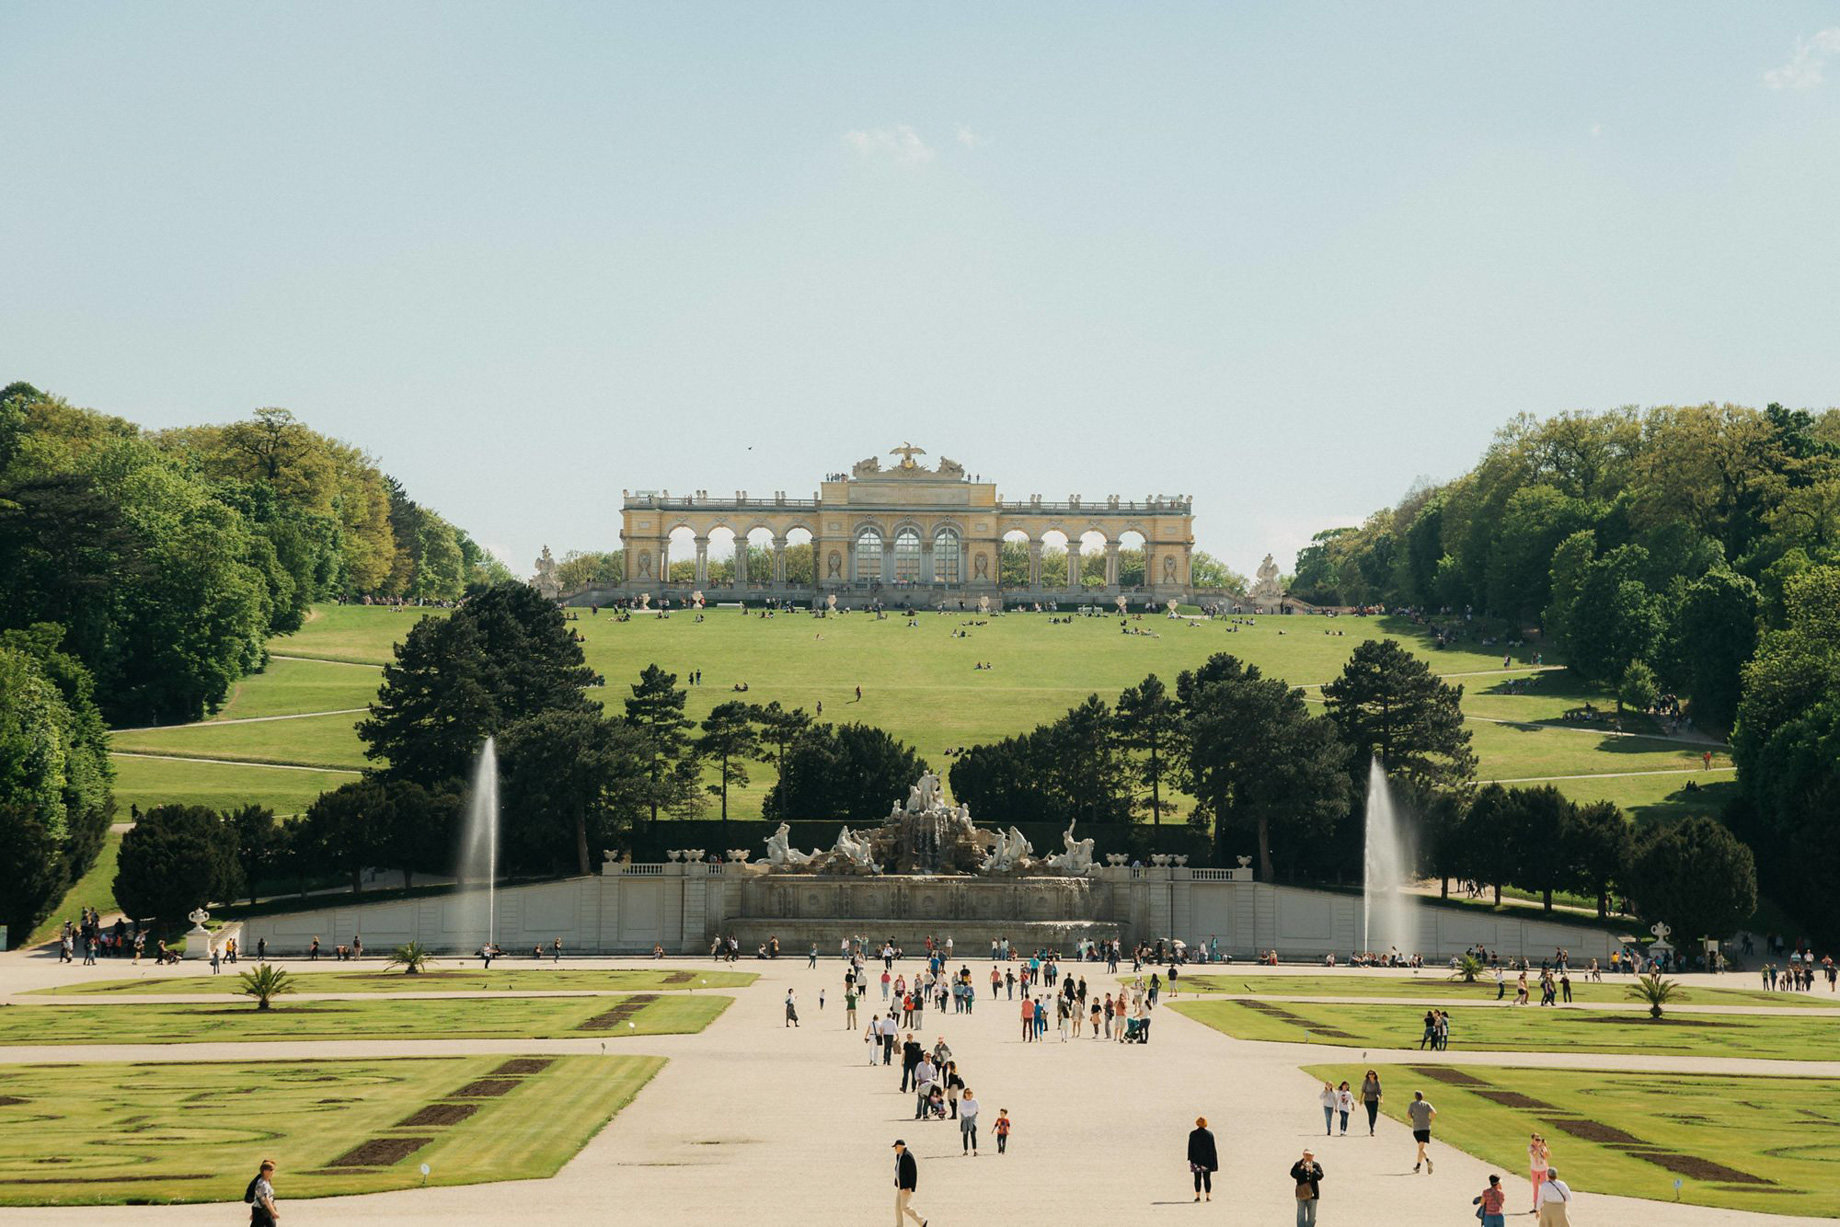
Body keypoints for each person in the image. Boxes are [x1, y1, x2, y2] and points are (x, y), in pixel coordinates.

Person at [892, 1139, 925, 1226]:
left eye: (896, 1147)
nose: (895, 1149)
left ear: (901, 1147)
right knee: (897, 1208)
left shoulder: (907, 1157)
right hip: (900, 1185)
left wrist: (910, 1188)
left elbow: (913, 1173)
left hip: (906, 1187)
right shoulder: (899, 1155)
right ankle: (899, 1225)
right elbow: (898, 1170)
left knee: (904, 1207)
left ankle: (922, 1221)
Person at [1188, 1116, 1219, 1202]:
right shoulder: (1209, 1134)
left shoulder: (1193, 1134)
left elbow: (1190, 1147)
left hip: (1196, 1160)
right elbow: (1212, 1149)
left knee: (1197, 1178)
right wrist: (1214, 1161)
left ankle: (1197, 1196)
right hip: (1207, 1161)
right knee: (1207, 1178)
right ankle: (1208, 1196)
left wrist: (1190, 1158)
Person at [1290, 1148, 1323, 1227]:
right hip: (1301, 1193)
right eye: (1306, 1155)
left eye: (1310, 1155)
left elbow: (1320, 1176)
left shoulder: (1316, 1165)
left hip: (1313, 1193)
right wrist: (1301, 1168)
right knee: (1301, 1214)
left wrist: (1313, 1170)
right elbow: (1293, 1174)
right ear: (1303, 1155)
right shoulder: (1298, 1164)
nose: (1308, 1157)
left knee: (1312, 1216)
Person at [1408, 1091, 1436, 1173]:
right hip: (1426, 1128)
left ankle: (1428, 1161)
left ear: (1415, 1097)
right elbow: (1434, 1113)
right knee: (1421, 1148)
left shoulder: (1413, 1104)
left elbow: (1408, 1115)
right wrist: (1430, 1120)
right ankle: (1418, 1166)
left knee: (1421, 1148)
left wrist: (1413, 1118)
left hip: (1418, 1128)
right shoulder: (1427, 1104)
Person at [245, 1158, 279, 1225]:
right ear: (265, 1171)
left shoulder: (266, 1181)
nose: (273, 1172)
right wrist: (273, 1212)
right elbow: (265, 1199)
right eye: (271, 1170)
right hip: (261, 1211)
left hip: (263, 1210)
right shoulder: (262, 1183)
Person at [1527, 1134, 1551, 1211]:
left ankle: (1544, 1205)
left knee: (1544, 1187)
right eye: (1536, 1140)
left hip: (1543, 1169)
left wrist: (1545, 1147)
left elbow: (1547, 1156)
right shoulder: (1530, 1147)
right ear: (1532, 1140)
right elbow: (1534, 1155)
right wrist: (1538, 1148)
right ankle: (1535, 1206)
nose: (1538, 1141)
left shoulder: (1542, 1147)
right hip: (1534, 1169)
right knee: (1535, 1188)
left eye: (1539, 1140)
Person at [1360, 1069, 1383, 1136]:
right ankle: (1371, 1129)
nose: (1371, 1075)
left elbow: (1380, 1092)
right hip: (1367, 1099)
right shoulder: (1366, 1081)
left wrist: (1381, 1099)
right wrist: (1360, 1099)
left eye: (1372, 1074)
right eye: (1369, 1074)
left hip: (1375, 1099)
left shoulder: (1377, 1082)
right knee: (1370, 1114)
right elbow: (1362, 1090)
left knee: (1375, 1114)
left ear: (1374, 1075)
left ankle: (1372, 1124)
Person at [959, 1087, 980, 1154]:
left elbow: (978, 1110)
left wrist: (973, 1116)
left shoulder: (975, 1101)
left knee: (973, 1135)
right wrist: (964, 1116)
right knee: (965, 1136)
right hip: (965, 1119)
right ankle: (965, 1150)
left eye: (970, 1093)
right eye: (967, 1093)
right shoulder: (962, 1102)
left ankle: (975, 1150)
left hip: (972, 1120)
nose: (969, 1094)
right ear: (964, 1094)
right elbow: (960, 1110)